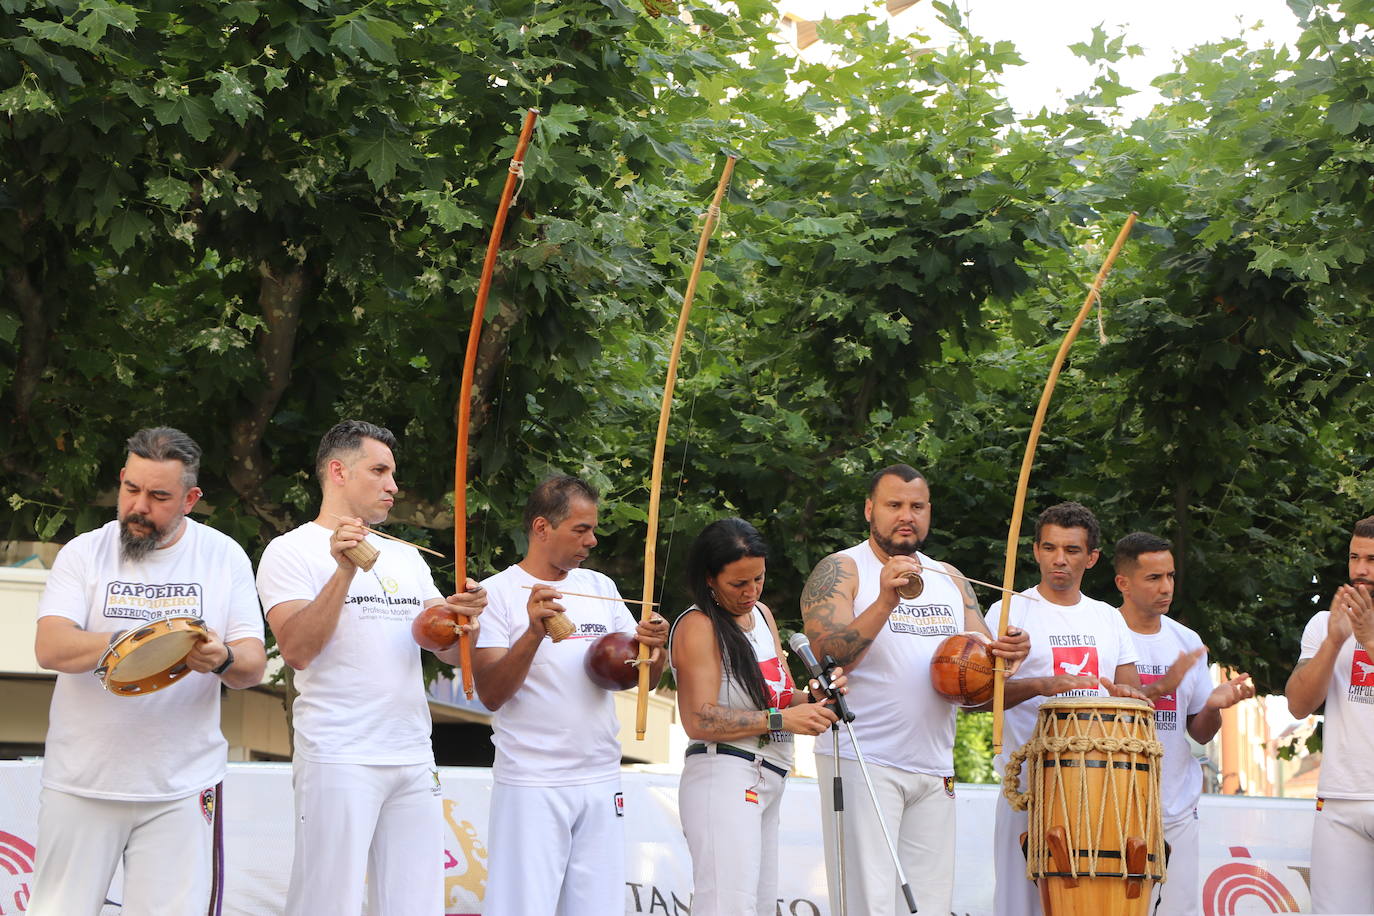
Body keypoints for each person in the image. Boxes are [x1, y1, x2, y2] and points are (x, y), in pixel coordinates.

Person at [29, 427, 266, 916]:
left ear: (191, 498)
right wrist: (147, 643)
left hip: (181, 785)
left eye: (159, 496)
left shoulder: (223, 556)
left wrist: (221, 658)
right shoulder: (83, 552)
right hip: (82, 780)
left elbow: (252, 666)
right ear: (121, 480)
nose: (139, 507)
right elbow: (50, 647)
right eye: (131, 489)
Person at [256, 420, 485, 916]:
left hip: (411, 752)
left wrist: (465, 621)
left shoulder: (406, 557)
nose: (393, 486)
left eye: (393, 473)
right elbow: (296, 649)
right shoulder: (289, 550)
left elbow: (444, 649)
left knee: (416, 905)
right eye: (379, 471)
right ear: (338, 471)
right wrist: (343, 569)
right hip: (339, 754)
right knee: (326, 902)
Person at [800, 463, 1029, 915]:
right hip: (865, 759)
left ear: (929, 513)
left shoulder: (950, 577)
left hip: (934, 765)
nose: (906, 515)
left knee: (928, 905)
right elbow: (828, 657)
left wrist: (1007, 658)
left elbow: (983, 677)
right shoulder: (843, 568)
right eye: (894, 504)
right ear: (870, 509)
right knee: (869, 904)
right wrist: (886, 599)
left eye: (917, 506)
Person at [473, 474, 669, 916]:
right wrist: (532, 634)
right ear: (541, 528)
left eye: (593, 529)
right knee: (522, 907)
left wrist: (656, 648)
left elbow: (644, 680)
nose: (592, 541)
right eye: (580, 530)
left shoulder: (599, 587)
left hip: (600, 776)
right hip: (531, 780)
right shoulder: (497, 592)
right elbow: (490, 693)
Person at [670, 517, 846, 916]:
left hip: (770, 774)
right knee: (727, 906)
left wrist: (814, 698)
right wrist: (783, 721)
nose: (751, 592)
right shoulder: (697, 625)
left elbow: (779, 699)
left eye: (759, 580)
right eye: (738, 584)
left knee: (761, 907)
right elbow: (699, 720)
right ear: (709, 579)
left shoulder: (763, 615)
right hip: (724, 775)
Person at [986, 501, 1148, 916]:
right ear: (1036, 551)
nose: (1059, 559)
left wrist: (1127, 695)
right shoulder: (1007, 612)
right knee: (1020, 907)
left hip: (1098, 790)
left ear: (1091, 558)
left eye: (1072, 550)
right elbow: (982, 699)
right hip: (1026, 790)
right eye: (1049, 547)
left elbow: (1131, 692)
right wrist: (1045, 685)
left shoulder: (1108, 619)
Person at [1114, 531, 1254, 916]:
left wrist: (1213, 706)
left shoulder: (1186, 639)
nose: (1166, 587)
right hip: (1110, 806)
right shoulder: (1102, 631)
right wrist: (1165, 684)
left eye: (1171, 576)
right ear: (1123, 583)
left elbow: (1198, 732)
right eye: (1154, 578)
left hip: (1175, 808)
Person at [1285, 515, 1374, 914]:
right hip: (1339, 796)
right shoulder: (1324, 624)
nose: (1360, 570)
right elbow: (1298, 703)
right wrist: (1336, 641)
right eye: (1354, 557)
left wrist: (1368, 638)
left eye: (1372, 559)